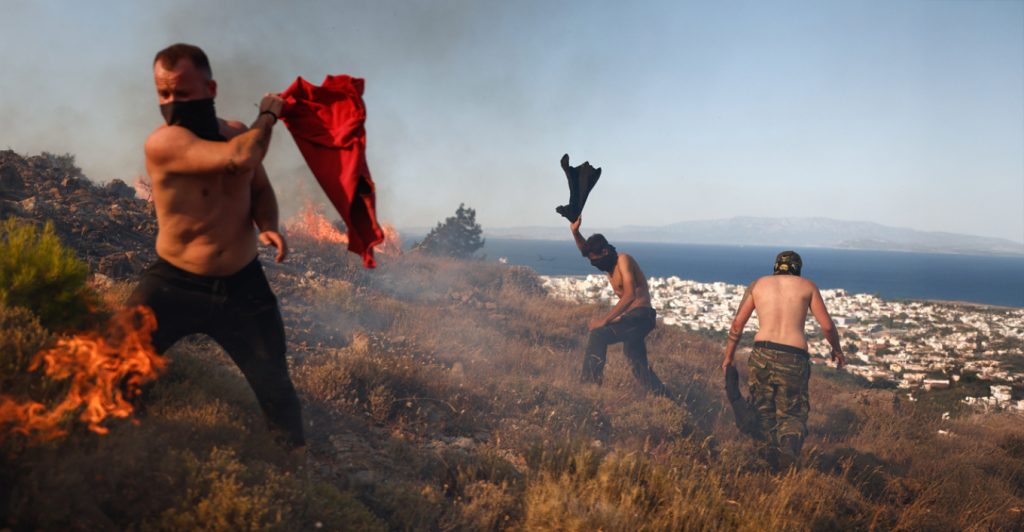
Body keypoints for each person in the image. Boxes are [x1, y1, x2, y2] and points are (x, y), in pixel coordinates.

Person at [128, 43, 304, 448]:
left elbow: (258, 186)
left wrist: (269, 225)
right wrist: (269, 114)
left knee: (277, 390)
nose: (172, 103)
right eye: (163, 94)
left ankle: (295, 474)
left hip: (243, 285)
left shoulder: (238, 132)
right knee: (114, 372)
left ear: (210, 88)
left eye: (182, 94)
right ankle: (105, 460)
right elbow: (241, 159)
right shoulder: (164, 143)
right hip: (174, 284)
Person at [721, 250, 846, 470]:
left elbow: (736, 326)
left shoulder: (758, 285)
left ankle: (766, 463)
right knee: (792, 413)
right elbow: (826, 326)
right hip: (793, 357)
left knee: (763, 411)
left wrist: (729, 356)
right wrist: (837, 350)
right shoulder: (807, 286)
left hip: (762, 354)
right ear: (798, 268)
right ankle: (787, 454)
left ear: (776, 266)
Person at [570, 217, 669, 397]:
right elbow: (588, 252)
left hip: (642, 316)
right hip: (632, 319)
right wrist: (576, 232)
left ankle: (589, 388)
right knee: (639, 367)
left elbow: (630, 295)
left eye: (596, 260)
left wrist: (605, 320)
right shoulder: (608, 266)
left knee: (599, 334)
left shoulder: (623, 260)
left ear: (605, 251)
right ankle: (667, 400)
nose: (595, 264)